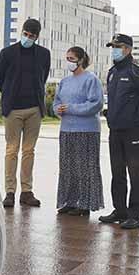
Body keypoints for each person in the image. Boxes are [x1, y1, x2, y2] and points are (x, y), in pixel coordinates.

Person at [99, 33, 139, 230]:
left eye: (117, 47)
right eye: (112, 47)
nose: (114, 50)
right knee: (117, 173)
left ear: (128, 49)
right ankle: (120, 210)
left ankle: (135, 215)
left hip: (134, 131)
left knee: (135, 173)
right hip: (115, 130)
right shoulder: (112, 72)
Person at [0, 18, 51, 208]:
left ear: (37, 37)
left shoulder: (43, 54)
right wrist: (10, 94)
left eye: (31, 36)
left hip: (34, 109)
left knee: (29, 151)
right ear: (22, 32)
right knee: (11, 150)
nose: (27, 38)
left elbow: (43, 77)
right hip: (13, 109)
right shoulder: (7, 53)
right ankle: (10, 191)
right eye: (25, 34)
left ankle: (27, 191)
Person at [53, 46, 105, 216]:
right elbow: (56, 102)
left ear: (81, 60)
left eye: (72, 59)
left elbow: (95, 104)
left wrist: (71, 108)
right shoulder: (64, 82)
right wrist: (57, 110)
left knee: (85, 167)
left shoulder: (91, 80)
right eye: (67, 58)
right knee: (68, 167)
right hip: (67, 129)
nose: (69, 62)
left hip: (87, 131)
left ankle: (85, 203)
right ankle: (69, 201)